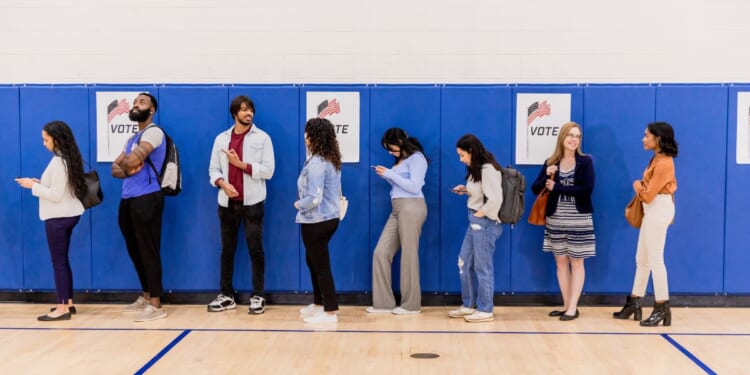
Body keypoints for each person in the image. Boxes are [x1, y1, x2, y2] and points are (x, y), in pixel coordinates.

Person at [207, 95, 275, 314]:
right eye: (244, 110)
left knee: (255, 249)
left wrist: (241, 164)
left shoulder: (262, 138)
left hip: (252, 203)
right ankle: (227, 294)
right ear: (235, 113)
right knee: (227, 250)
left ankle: (258, 295)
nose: (248, 113)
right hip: (227, 203)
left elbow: (268, 170)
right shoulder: (221, 139)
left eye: (250, 110)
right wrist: (222, 184)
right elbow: (213, 170)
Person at [16, 121, 86, 321]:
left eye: (46, 139)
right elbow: (60, 188)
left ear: (57, 139)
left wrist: (32, 186)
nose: (44, 143)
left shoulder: (59, 162)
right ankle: (68, 302)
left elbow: (55, 195)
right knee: (63, 261)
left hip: (59, 217)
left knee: (59, 263)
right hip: (69, 213)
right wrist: (39, 183)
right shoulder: (67, 159)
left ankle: (62, 308)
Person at [613, 121, 678, 327]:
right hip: (656, 209)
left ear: (658, 138)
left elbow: (648, 196)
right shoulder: (657, 159)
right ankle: (635, 301)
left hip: (657, 208)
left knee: (656, 260)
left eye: (646, 135)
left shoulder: (663, 162)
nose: (643, 139)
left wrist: (636, 185)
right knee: (642, 258)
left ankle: (662, 307)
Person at [111, 92, 168, 322]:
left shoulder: (154, 132)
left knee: (148, 249)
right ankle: (145, 296)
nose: (136, 105)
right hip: (129, 198)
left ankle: (156, 305)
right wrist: (128, 166)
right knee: (135, 250)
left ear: (152, 110)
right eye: (135, 102)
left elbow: (131, 161)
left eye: (141, 102)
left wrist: (128, 163)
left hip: (147, 197)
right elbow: (115, 169)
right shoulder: (132, 138)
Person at [530, 122, 595, 321]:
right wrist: (546, 177)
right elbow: (535, 188)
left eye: (577, 136)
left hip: (578, 219)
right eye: (570, 135)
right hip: (556, 219)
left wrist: (557, 187)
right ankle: (567, 304)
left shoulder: (585, 162)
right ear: (562, 138)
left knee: (577, 262)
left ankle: (573, 307)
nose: (574, 139)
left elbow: (587, 189)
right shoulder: (552, 161)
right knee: (560, 262)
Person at [367, 128, 428, 315]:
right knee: (381, 252)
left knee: (409, 255)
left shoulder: (417, 158)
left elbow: (414, 187)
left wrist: (391, 174)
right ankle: (383, 304)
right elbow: (400, 187)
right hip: (397, 208)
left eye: (391, 148)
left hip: (412, 207)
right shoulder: (401, 161)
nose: (390, 152)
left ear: (401, 141)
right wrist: (387, 176)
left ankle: (411, 305)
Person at [448, 134, 504, 323]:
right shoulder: (476, 169)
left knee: (482, 265)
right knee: (464, 262)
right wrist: (465, 190)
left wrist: (481, 214)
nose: (461, 159)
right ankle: (468, 304)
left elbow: (496, 199)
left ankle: (485, 309)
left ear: (471, 151)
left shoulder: (488, 169)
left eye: (462, 155)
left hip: (485, 222)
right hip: (475, 220)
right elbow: (481, 192)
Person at [295, 118, 342, 324]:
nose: (305, 138)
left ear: (314, 137)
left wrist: (298, 205)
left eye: (308, 134)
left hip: (316, 220)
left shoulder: (316, 164)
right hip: (327, 218)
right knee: (312, 260)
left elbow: (314, 198)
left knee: (320, 264)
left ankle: (330, 311)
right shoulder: (329, 160)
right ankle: (318, 303)